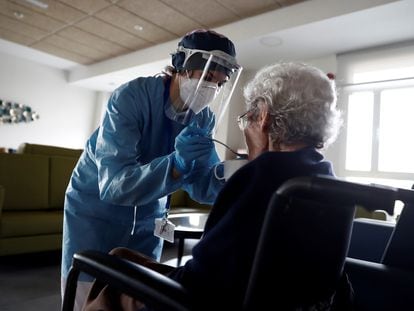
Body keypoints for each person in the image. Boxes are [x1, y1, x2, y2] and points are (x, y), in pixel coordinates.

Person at [82, 62, 353, 311]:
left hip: (198, 302)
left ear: (264, 117)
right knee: (121, 254)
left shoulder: (259, 180)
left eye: (248, 117)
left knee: (110, 269)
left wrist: (256, 165)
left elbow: (198, 283)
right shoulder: (330, 185)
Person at [61, 29, 242, 310]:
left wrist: (226, 175)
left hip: (150, 214)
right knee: (88, 295)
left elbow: (201, 188)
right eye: (207, 77)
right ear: (181, 67)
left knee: (142, 293)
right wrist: (177, 164)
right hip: (95, 212)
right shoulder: (131, 98)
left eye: (219, 83)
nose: (211, 89)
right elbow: (113, 186)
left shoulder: (203, 117)